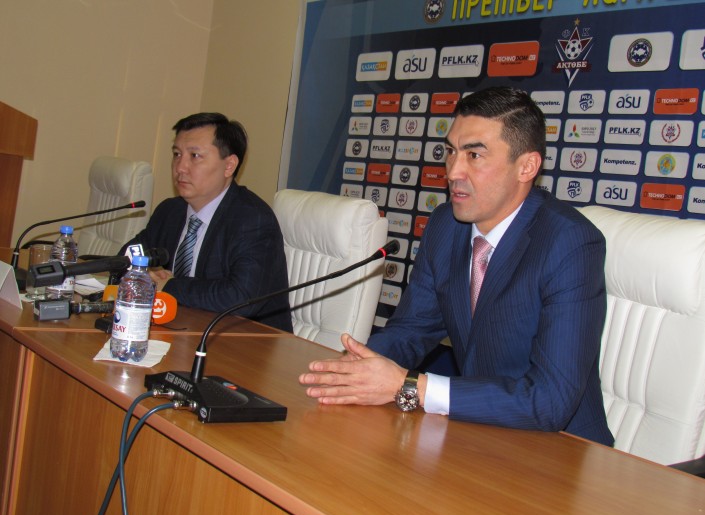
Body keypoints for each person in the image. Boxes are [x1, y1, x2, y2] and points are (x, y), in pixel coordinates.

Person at [299, 86, 614, 445]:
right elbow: (412, 330)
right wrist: (355, 368)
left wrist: (409, 386)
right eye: (451, 152)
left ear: (526, 166)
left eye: (474, 155)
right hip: (477, 431)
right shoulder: (446, 225)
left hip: (562, 449)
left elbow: (551, 400)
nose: (453, 171)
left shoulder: (569, 243)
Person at [121, 112, 292, 332]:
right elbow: (125, 257)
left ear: (229, 166)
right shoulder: (170, 211)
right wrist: (145, 274)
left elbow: (242, 297)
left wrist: (169, 286)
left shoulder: (252, 219)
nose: (180, 167)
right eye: (177, 154)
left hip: (246, 341)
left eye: (195, 156)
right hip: (182, 331)